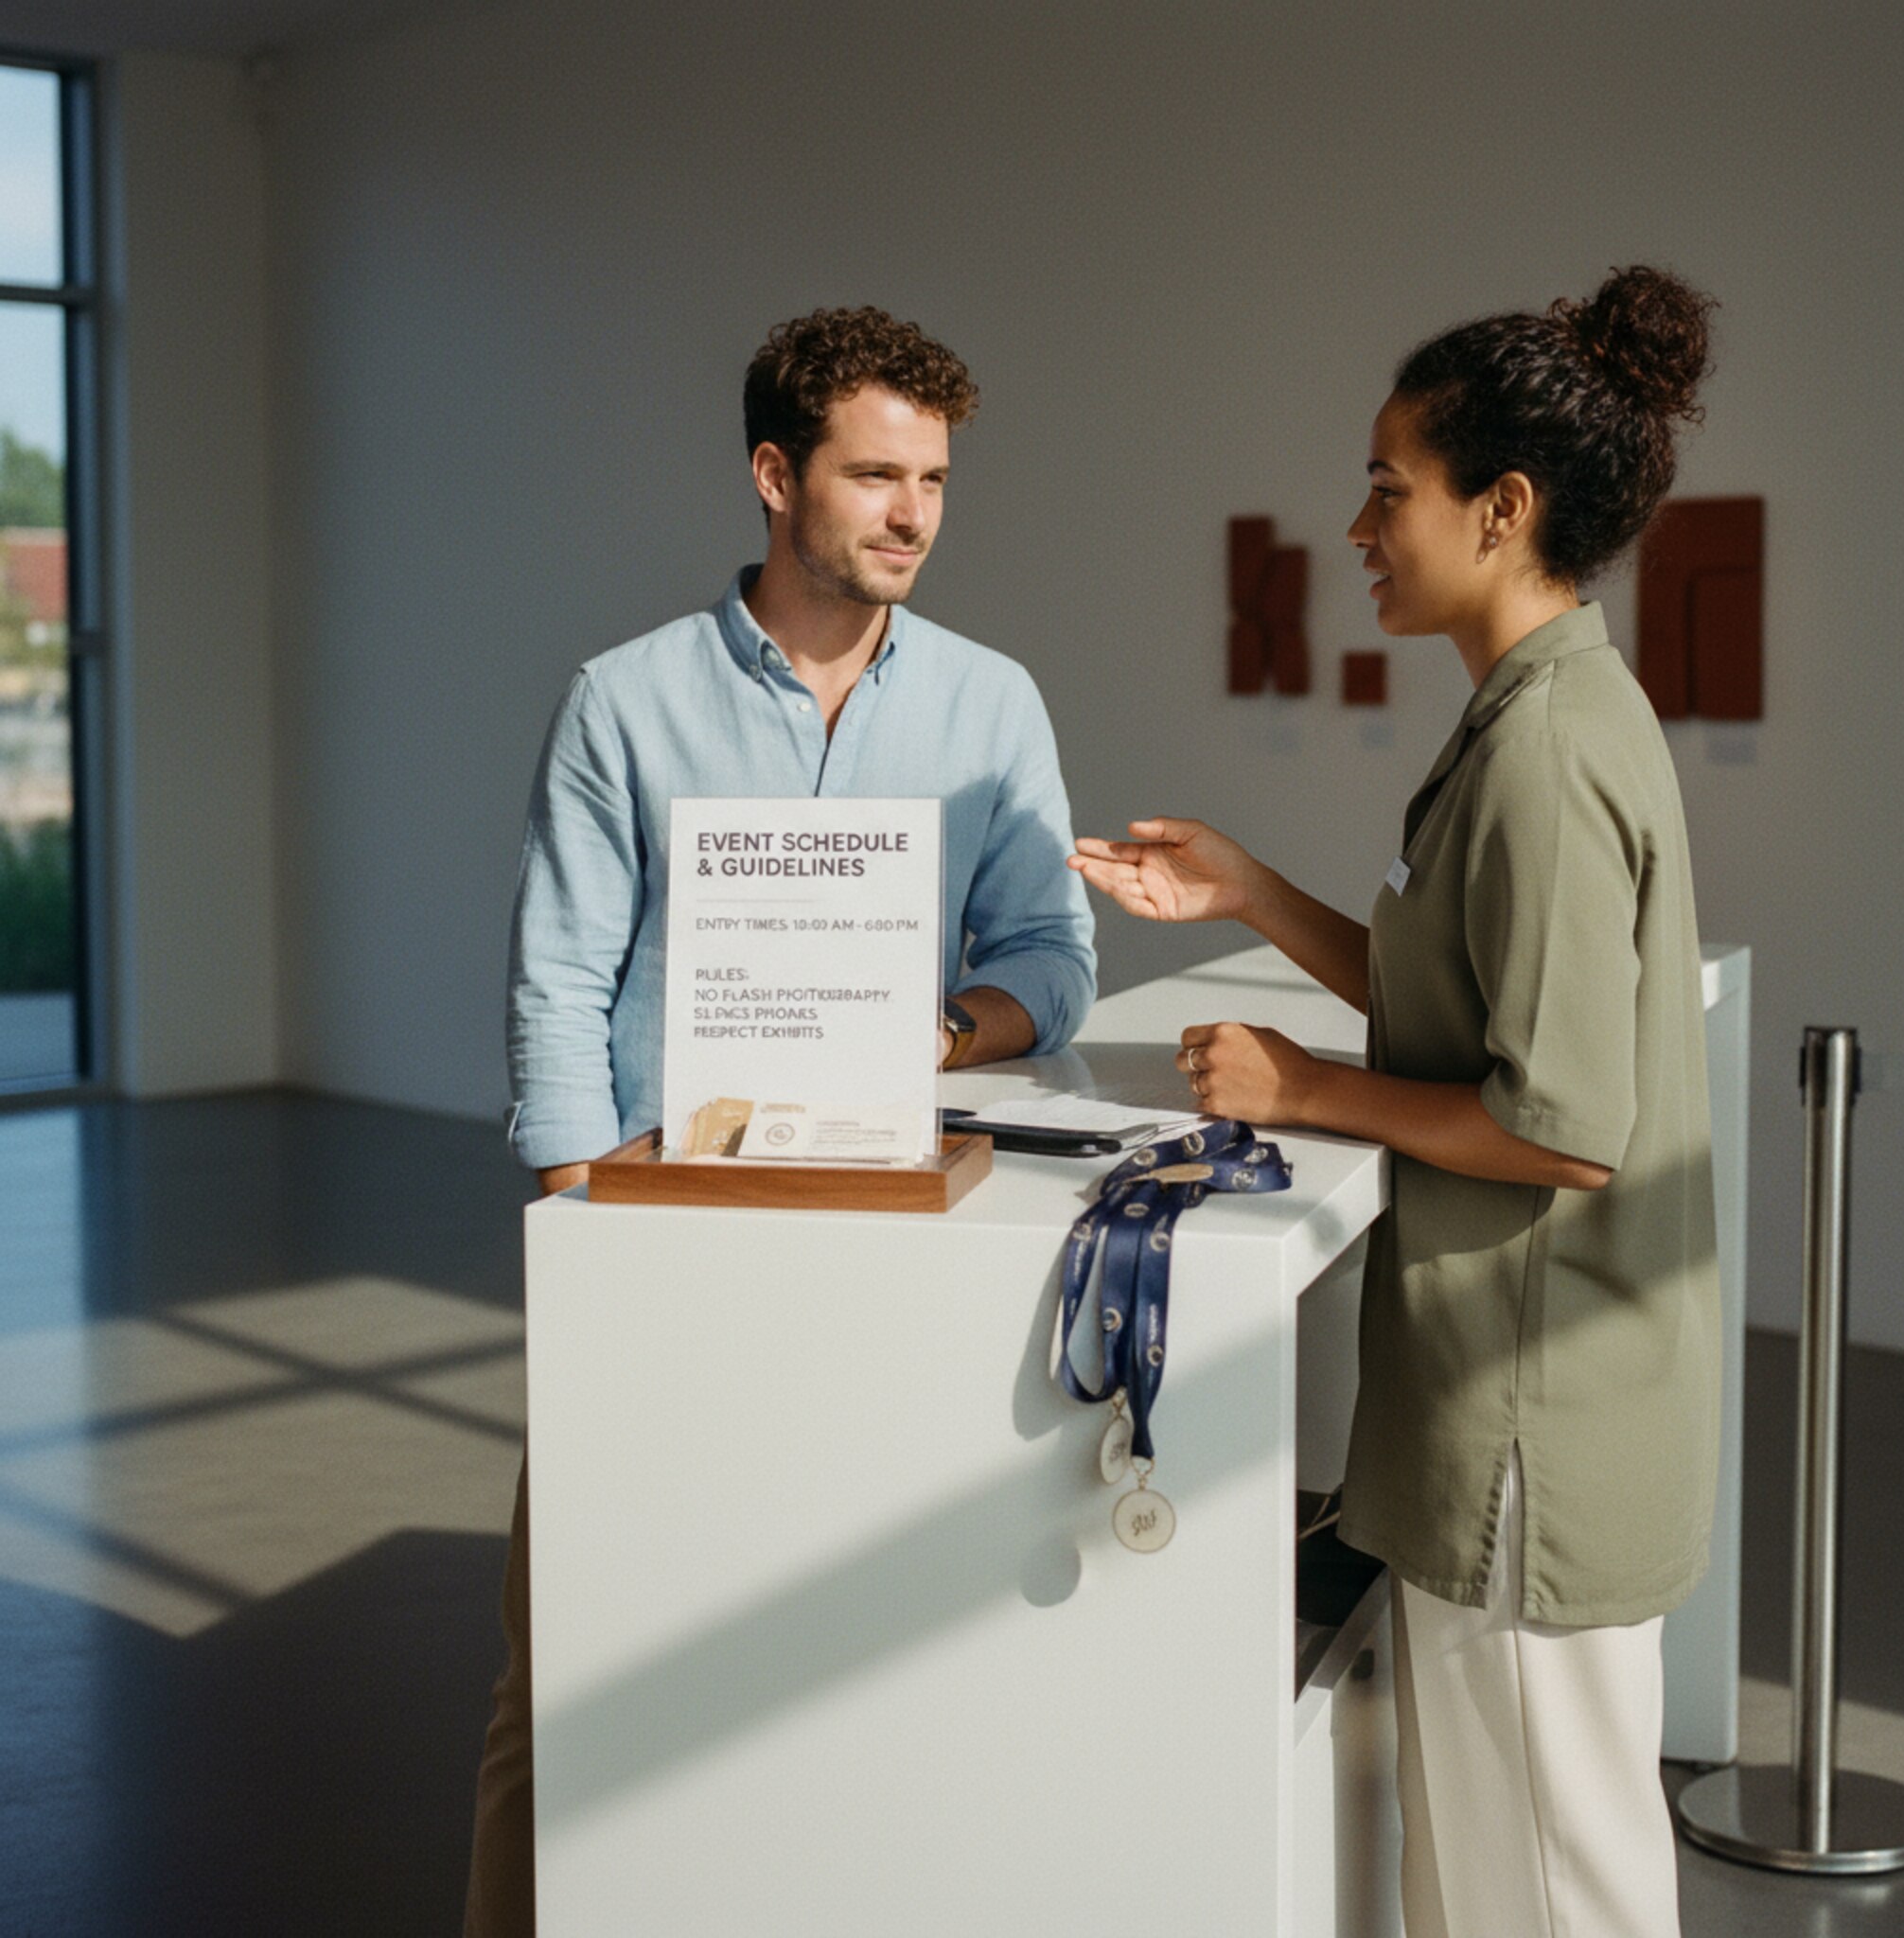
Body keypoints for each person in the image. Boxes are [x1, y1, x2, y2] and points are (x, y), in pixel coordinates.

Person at [1070, 265, 1719, 1938]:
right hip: (1509, 1406)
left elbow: (1564, 1127)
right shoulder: (1532, 714)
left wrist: (1308, 1087)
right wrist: (1253, 894)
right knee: (1490, 1880)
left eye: (1386, 486)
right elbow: (1465, 999)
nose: (1358, 524)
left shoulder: (1550, 751)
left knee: (1554, 1894)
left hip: (1537, 1427)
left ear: (1500, 510)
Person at [465, 306, 1097, 1938]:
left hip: (895, 1246)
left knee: (849, 1665)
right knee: (572, 1677)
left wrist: (939, 1028)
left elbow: (1051, 960)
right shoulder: (624, 703)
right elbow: (555, 991)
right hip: (657, 1232)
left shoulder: (991, 703)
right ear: (772, 474)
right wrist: (583, 1235)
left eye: (936, 479)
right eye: (876, 475)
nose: (914, 514)